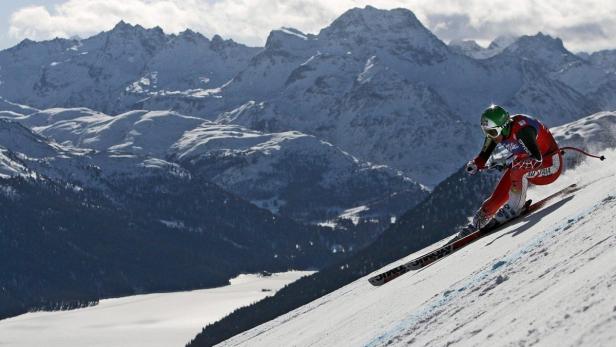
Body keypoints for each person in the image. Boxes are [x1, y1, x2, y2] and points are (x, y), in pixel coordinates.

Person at [460, 104, 562, 237]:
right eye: (486, 132)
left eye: (491, 132)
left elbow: (537, 159)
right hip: (521, 167)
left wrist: (506, 163)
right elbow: (483, 156)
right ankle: (478, 223)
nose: (490, 136)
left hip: (550, 166)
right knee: (493, 202)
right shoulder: (497, 133)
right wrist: (476, 164)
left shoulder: (523, 131)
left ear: (503, 127)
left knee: (517, 170)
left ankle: (514, 208)